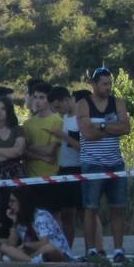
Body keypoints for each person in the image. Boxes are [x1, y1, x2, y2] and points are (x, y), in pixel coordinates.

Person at [77, 68, 133, 262]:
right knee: (90, 208)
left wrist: (100, 126)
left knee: (118, 207)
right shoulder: (83, 105)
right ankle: (91, 250)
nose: (108, 88)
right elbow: (87, 133)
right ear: (94, 84)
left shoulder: (117, 103)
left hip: (115, 162)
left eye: (110, 83)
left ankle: (118, 250)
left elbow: (126, 128)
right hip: (92, 163)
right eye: (104, 84)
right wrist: (111, 128)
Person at [50, 87, 83, 252]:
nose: (57, 111)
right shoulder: (61, 119)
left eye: (58, 107)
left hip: (79, 169)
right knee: (65, 215)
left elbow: (82, 147)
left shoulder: (80, 119)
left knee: (85, 213)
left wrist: (62, 135)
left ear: (66, 100)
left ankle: (93, 249)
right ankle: (66, 251)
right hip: (63, 170)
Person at [5, 189, 71, 263]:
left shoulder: (41, 216)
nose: (9, 204)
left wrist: (27, 245)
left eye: (13, 201)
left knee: (49, 248)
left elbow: (44, 243)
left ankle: (29, 260)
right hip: (35, 252)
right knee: (6, 248)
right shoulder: (20, 219)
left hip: (56, 252)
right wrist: (14, 222)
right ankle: (31, 260)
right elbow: (11, 245)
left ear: (22, 202)